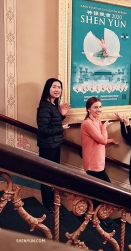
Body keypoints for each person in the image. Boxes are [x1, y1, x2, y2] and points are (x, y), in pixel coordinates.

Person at [37, 78, 70, 213]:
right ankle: (48, 205)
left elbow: (52, 123)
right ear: (48, 89)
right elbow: (43, 130)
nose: (57, 90)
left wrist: (61, 116)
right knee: (47, 176)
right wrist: (61, 128)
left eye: (59, 87)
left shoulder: (53, 105)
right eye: (54, 87)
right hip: (47, 147)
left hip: (55, 145)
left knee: (53, 176)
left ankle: (52, 203)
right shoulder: (45, 107)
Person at [81, 96, 118, 183]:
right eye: (95, 107)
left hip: (99, 163)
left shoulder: (97, 120)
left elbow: (97, 139)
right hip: (93, 165)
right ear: (89, 109)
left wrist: (110, 140)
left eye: (100, 107)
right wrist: (104, 127)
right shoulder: (87, 123)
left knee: (98, 192)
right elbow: (102, 140)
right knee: (107, 189)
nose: (99, 109)